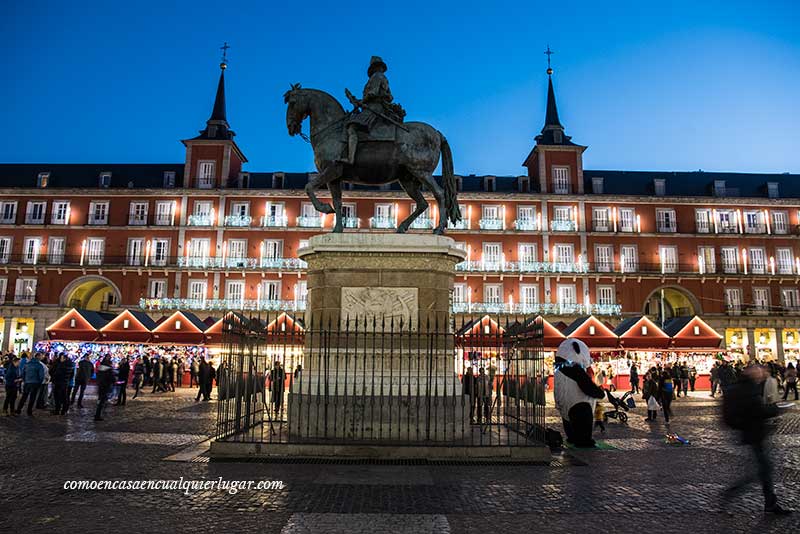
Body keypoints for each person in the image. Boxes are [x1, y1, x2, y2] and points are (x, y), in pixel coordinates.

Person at [721, 365, 791, 515]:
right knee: (762, 470)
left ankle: (770, 502)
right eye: (759, 373)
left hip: (751, 433)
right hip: (754, 433)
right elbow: (758, 411)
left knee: (763, 469)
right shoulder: (749, 389)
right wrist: (776, 409)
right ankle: (733, 492)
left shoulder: (740, 387)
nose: (761, 376)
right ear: (752, 374)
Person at [340, 56, 404, 165]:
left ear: (374, 67)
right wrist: (358, 101)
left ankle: (350, 159)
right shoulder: (382, 77)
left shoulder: (376, 76)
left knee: (352, 127)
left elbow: (372, 93)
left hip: (375, 109)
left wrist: (362, 100)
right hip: (374, 107)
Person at [94, 355, 114, 421]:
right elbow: (111, 378)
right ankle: (98, 415)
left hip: (100, 385)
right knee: (103, 400)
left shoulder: (100, 367)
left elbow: (98, 376)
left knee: (100, 400)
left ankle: (98, 413)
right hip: (105, 386)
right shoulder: (109, 369)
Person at [475, 367, 492, 431]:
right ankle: (479, 418)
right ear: (479, 372)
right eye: (481, 371)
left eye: (483, 371)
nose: (482, 372)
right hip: (480, 395)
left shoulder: (487, 377)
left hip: (486, 394)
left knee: (486, 406)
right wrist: (477, 393)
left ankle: (487, 417)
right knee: (479, 407)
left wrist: (490, 393)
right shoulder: (478, 378)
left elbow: (490, 385)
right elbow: (476, 386)